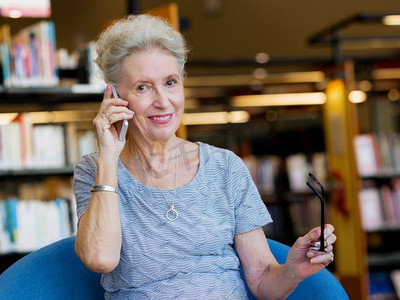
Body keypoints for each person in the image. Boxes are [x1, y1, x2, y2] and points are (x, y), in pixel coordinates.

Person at [73, 14, 337, 299]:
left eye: (171, 82)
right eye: (143, 87)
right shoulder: (95, 170)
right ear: (113, 96)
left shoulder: (225, 167)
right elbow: (99, 259)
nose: (163, 101)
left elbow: (262, 281)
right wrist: (109, 157)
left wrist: (293, 270)